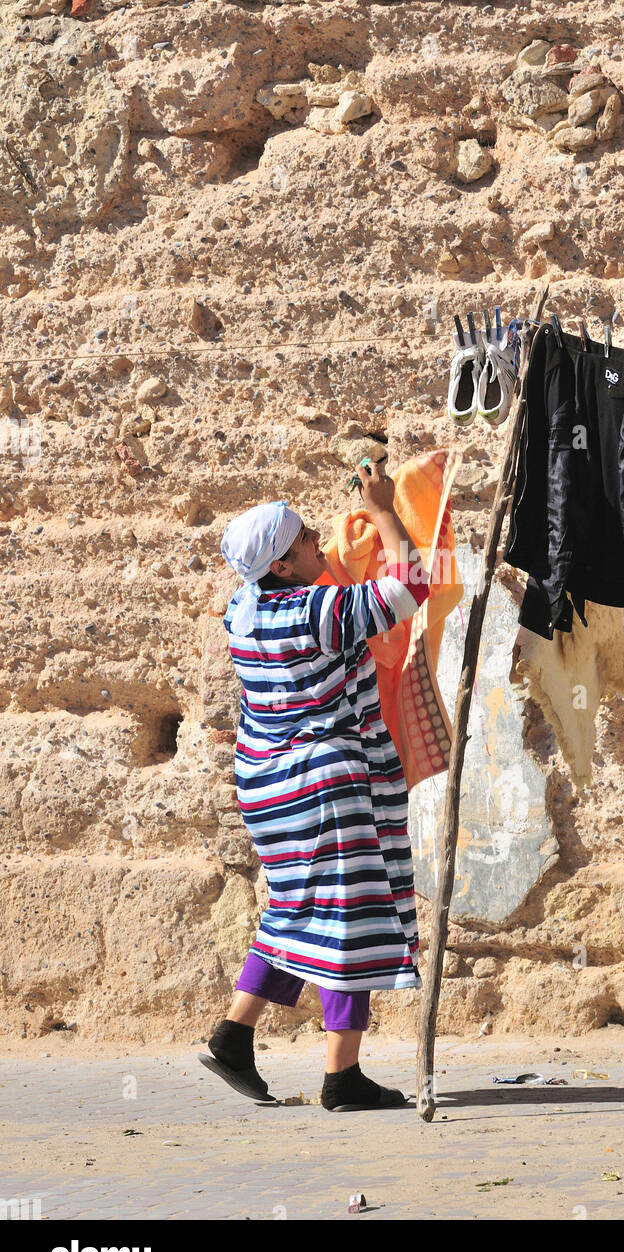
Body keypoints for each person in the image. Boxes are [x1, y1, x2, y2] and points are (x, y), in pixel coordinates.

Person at [199, 459, 431, 1112]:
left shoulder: (243, 611)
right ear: (280, 565)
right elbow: (412, 586)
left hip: (267, 783)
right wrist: (384, 511)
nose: (318, 543)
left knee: (300, 909)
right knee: (345, 919)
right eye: (303, 539)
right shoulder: (316, 611)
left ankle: (235, 1036)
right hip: (322, 782)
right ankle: (341, 1077)